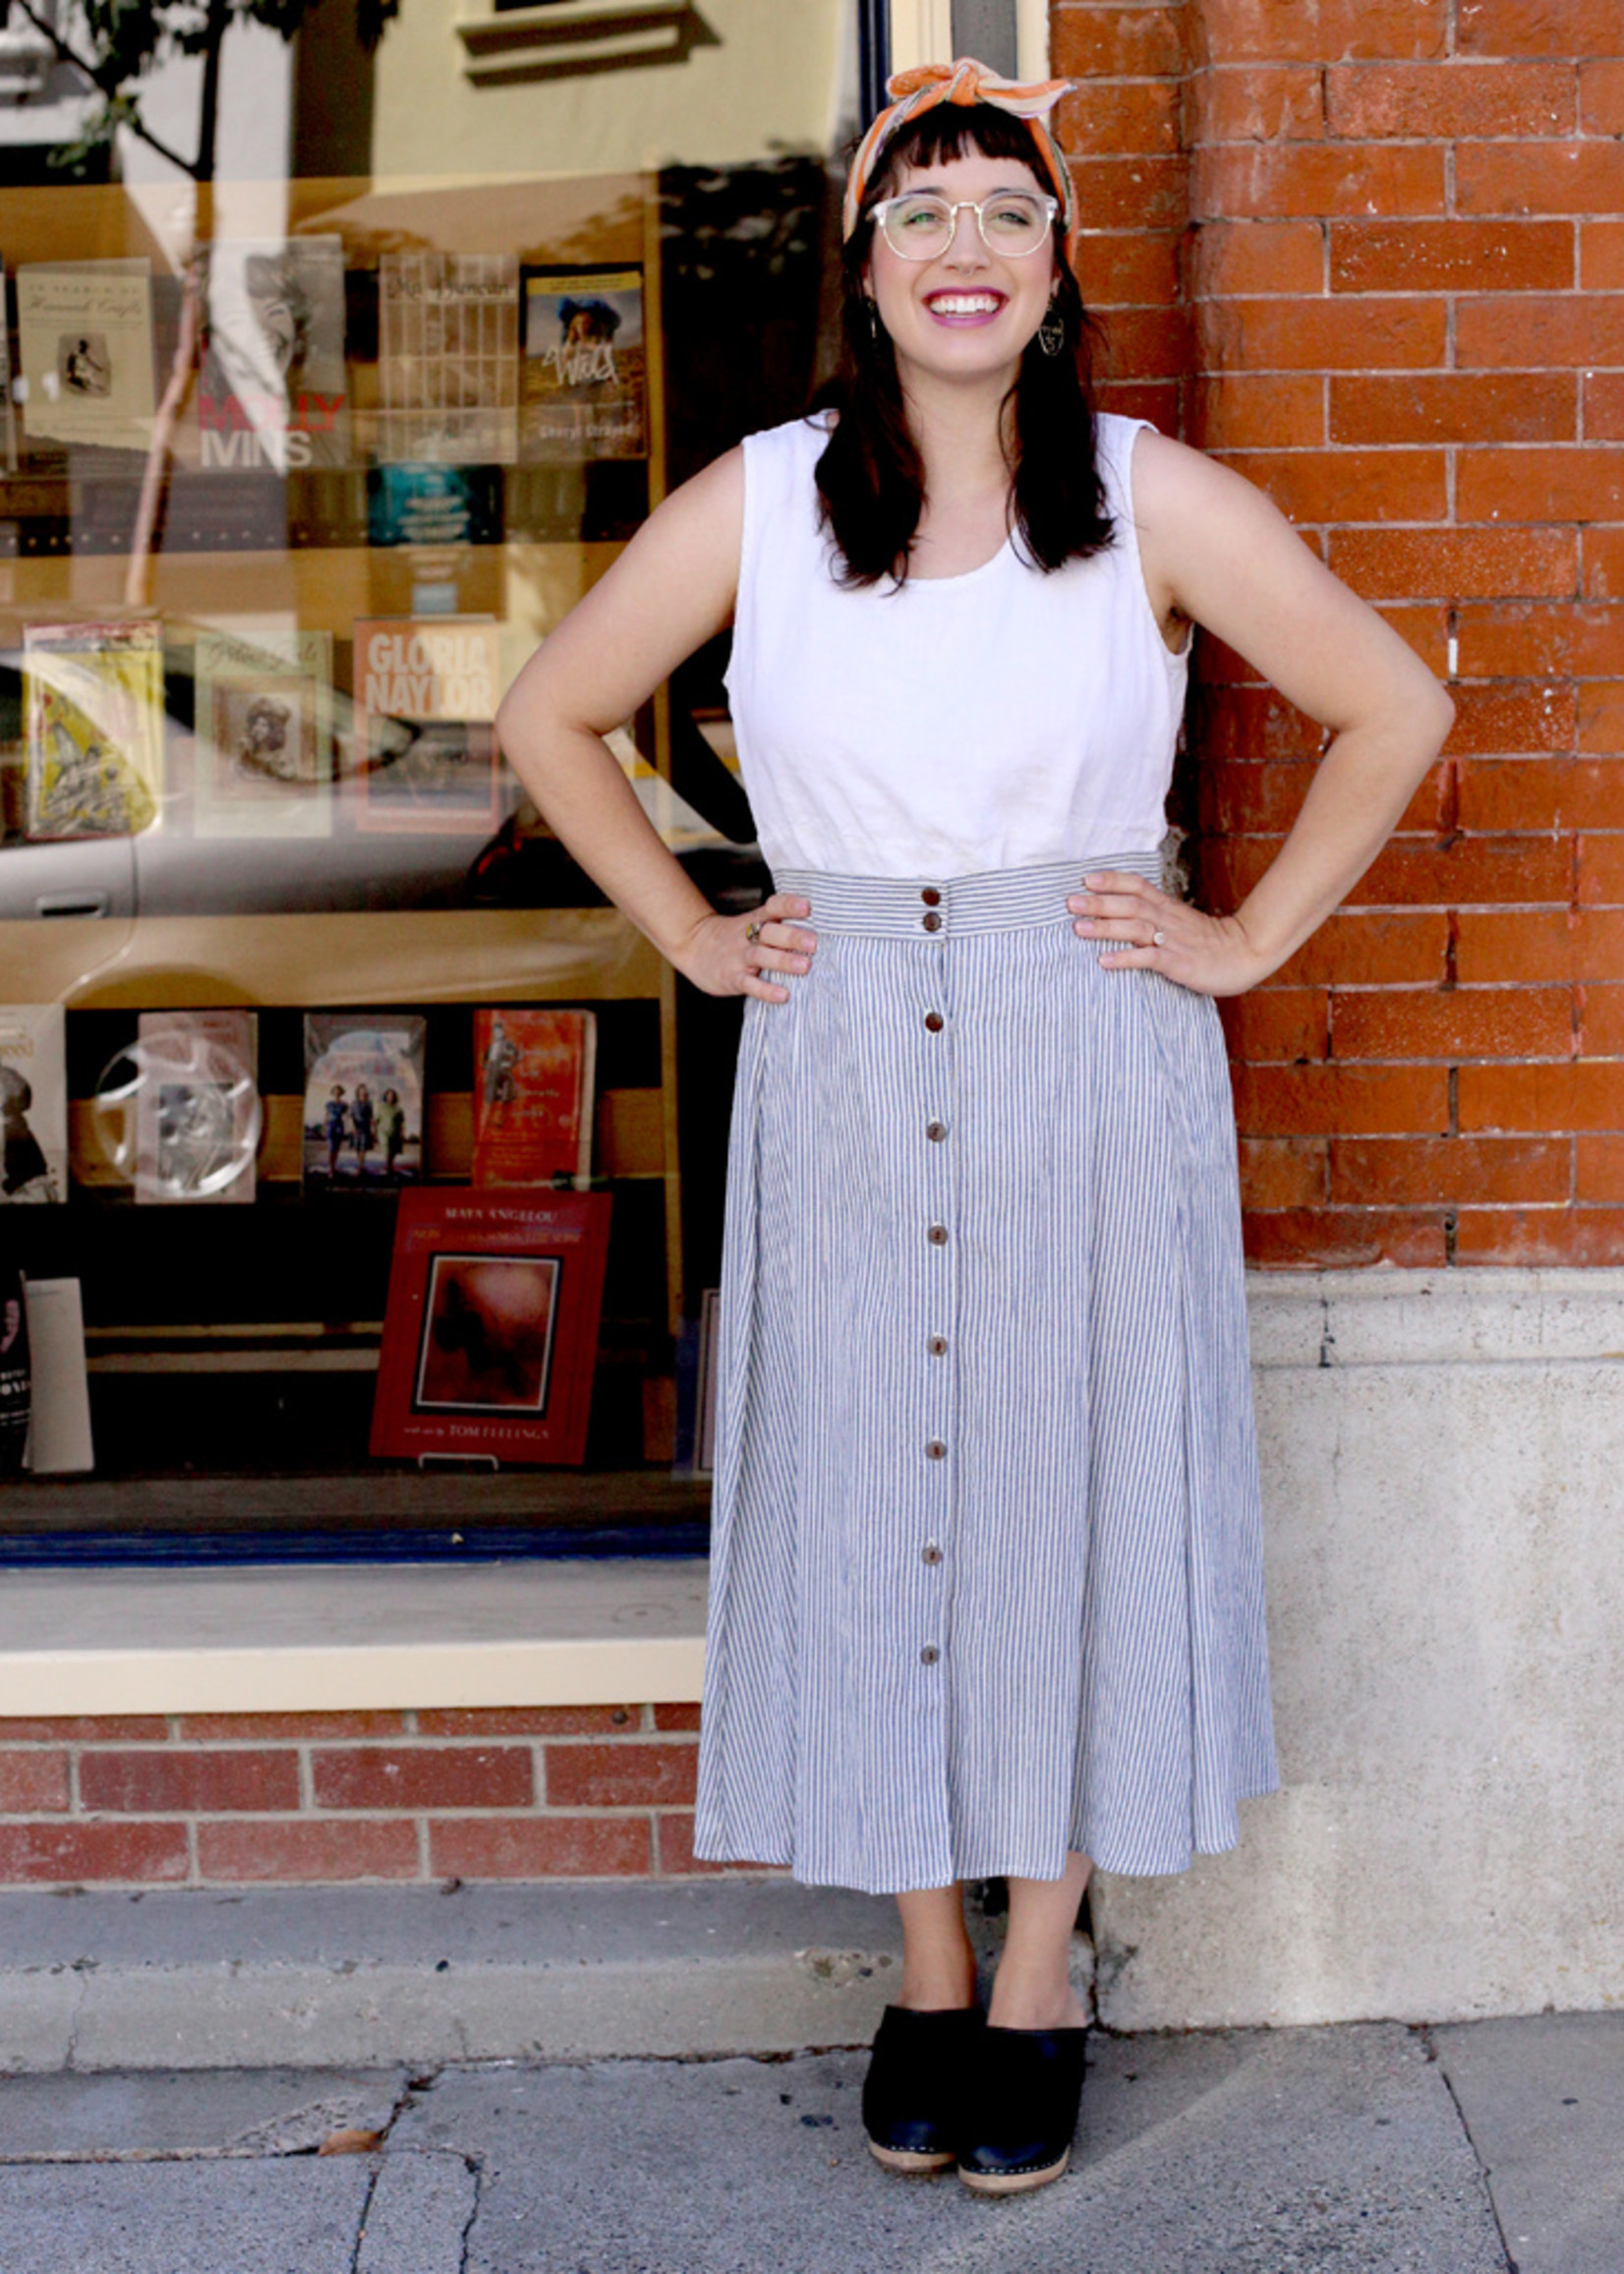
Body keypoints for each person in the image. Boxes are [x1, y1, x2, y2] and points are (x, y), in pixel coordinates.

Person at [493, 57, 1453, 2197]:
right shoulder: (760, 500)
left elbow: (1398, 700)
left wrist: (1239, 935)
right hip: (840, 1041)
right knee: (868, 1479)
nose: (961, 245)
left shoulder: (1144, 495)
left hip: (1079, 1035)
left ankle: (1038, 1966)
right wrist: (692, 926)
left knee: (1065, 1481)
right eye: (918, 207)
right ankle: (919, 1953)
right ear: (862, 263)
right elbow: (545, 712)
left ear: (1054, 266)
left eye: (1002, 211)